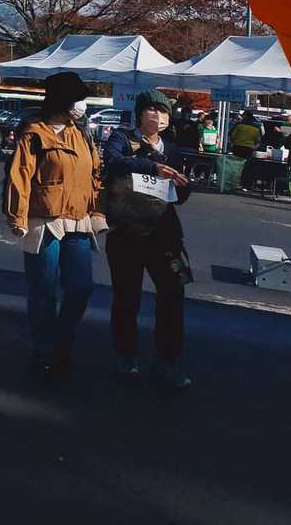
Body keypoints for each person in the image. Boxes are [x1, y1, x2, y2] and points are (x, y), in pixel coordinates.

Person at [3, 71, 103, 382]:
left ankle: (61, 339)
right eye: (77, 100)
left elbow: (95, 175)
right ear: (62, 100)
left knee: (81, 288)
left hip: (78, 219)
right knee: (43, 288)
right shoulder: (34, 133)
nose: (81, 107)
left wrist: (98, 212)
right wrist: (17, 217)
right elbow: (20, 175)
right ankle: (43, 348)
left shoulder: (82, 134)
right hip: (43, 219)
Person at [102, 90, 193, 390]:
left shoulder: (172, 149)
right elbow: (113, 161)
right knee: (127, 299)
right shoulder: (122, 138)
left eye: (164, 111)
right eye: (152, 110)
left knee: (173, 296)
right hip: (126, 232)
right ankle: (125, 358)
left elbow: (177, 197)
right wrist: (152, 167)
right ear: (140, 114)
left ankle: (167, 363)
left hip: (164, 235)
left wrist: (183, 185)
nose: (159, 116)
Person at [230, 110, 263, 189]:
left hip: (237, 146)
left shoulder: (239, 125)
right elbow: (258, 140)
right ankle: (244, 183)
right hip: (249, 149)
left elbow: (232, 135)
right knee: (246, 166)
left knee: (236, 165)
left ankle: (234, 182)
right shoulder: (257, 127)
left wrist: (234, 142)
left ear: (245, 116)